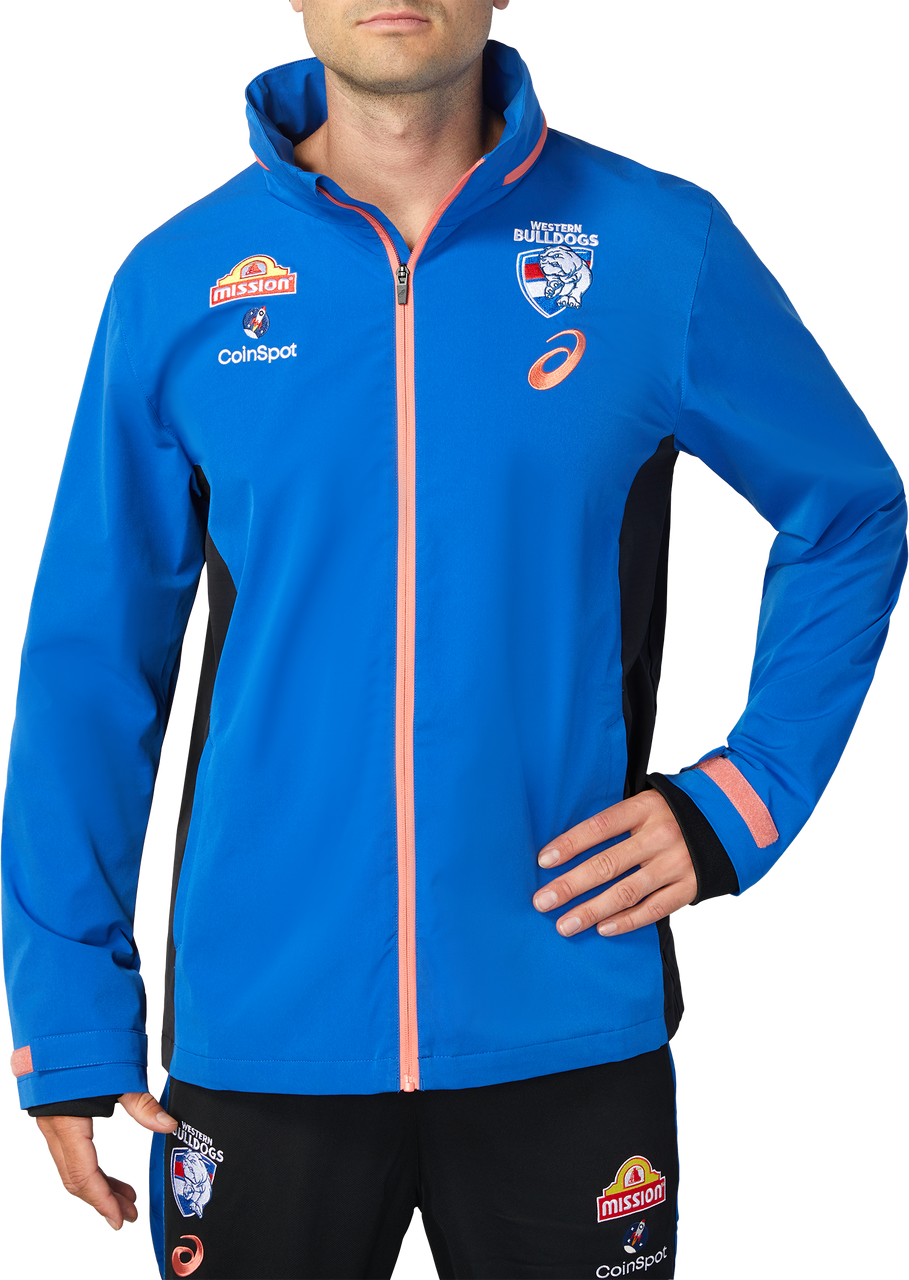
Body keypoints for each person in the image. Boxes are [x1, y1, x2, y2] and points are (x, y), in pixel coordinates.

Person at [2, 3, 905, 1277]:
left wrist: (742, 799)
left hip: (566, 1008)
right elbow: (89, 665)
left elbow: (850, 507)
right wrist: (68, 1019)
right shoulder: (175, 280)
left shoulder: (659, 242)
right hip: (261, 1032)